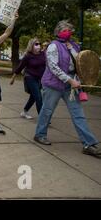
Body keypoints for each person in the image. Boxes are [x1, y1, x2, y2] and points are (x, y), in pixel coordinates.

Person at [34, 21, 101, 157]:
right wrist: (70, 80)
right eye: (65, 29)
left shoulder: (75, 45)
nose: (68, 32)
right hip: (53, 84)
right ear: (58, 31)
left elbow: (80, 64)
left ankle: (89, 144)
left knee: (78, 114)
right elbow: (53, 67)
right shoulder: (53, 46)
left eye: (69, 30)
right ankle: (40, 134)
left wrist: (71, 50)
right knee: (47, 110)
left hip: (70, 85)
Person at [10, 38, 46, 119]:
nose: (38, 46)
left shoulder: (43, 54)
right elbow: (20, 67)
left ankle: (24, 112)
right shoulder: (28, 56)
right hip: (30, 77)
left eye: (39, 44)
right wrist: (13, 78)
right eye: (36, 44)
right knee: (38, 97)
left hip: (39, 79)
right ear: (31, 46)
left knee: (33, 97)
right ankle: (43, 118)